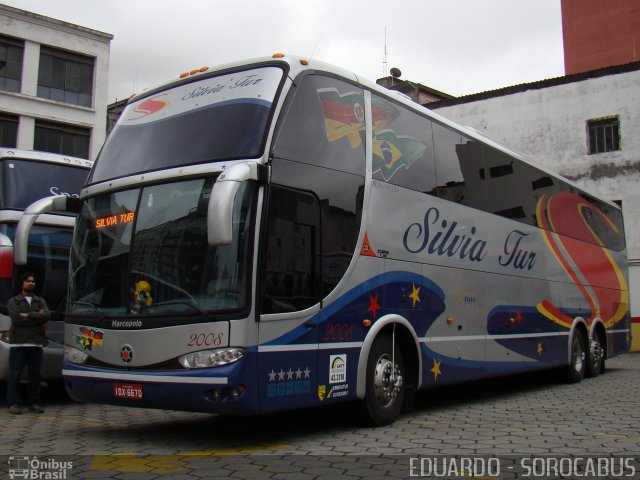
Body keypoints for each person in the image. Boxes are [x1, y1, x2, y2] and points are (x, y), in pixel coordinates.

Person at [6, 272, 50, 414]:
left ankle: (34, 403)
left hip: (36, 343)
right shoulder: (14, 301)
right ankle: (13, 403)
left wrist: (28, 315)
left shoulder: (40, 300)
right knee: (15, 374)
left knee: (35, 375)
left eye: (33, 281)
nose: (31, 283)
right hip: (19, 343)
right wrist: (38, 316)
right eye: (28, 281)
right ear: (22, 284)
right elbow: (17, 320)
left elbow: (47, 316)